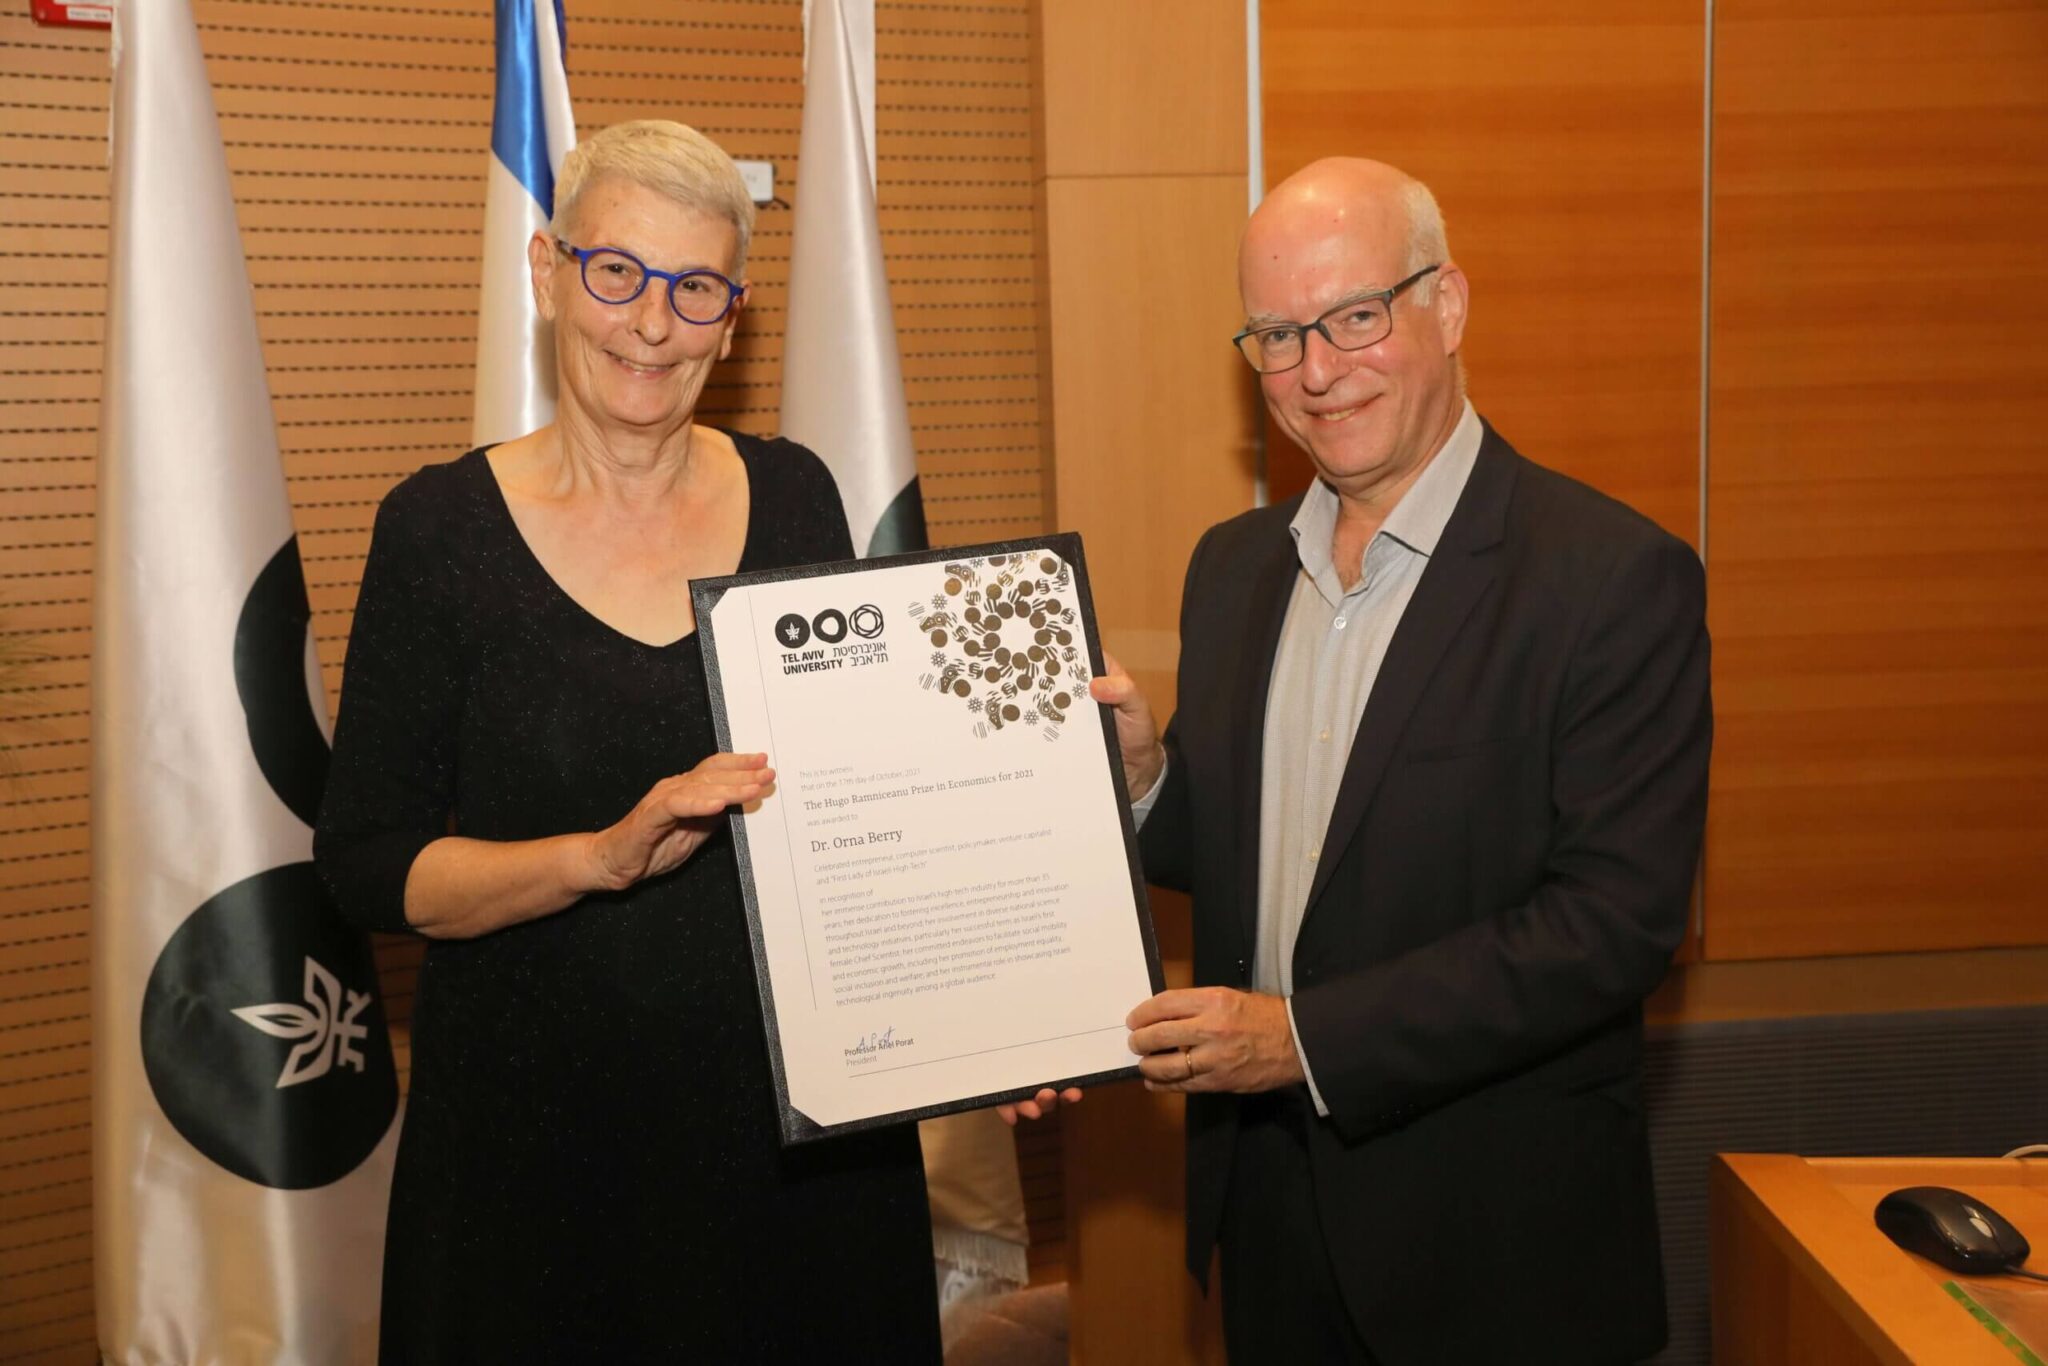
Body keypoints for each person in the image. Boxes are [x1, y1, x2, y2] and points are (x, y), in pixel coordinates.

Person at [314, 120, 943, 1362]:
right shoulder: (439, 531)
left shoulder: (802, 495)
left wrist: (983, 1010)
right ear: (548, 273)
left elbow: (878, 796)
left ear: (733, 315)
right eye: (617, 274)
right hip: (537, 1171)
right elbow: (371, 867)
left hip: (802, 1158)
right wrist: (594, 859)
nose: (650, 324)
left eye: (694, 288)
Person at [1088, 158, 1712, 1364]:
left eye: (1354, 316)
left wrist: (1304, 1040)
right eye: (1275, 335)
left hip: (1493, 1250)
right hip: (1266, 1220)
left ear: (1449, 305)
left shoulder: (1607, 578)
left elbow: (1613, 923)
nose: (1315, 371)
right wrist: (1148, 781)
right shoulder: (1232, 566)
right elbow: (1265, 866)